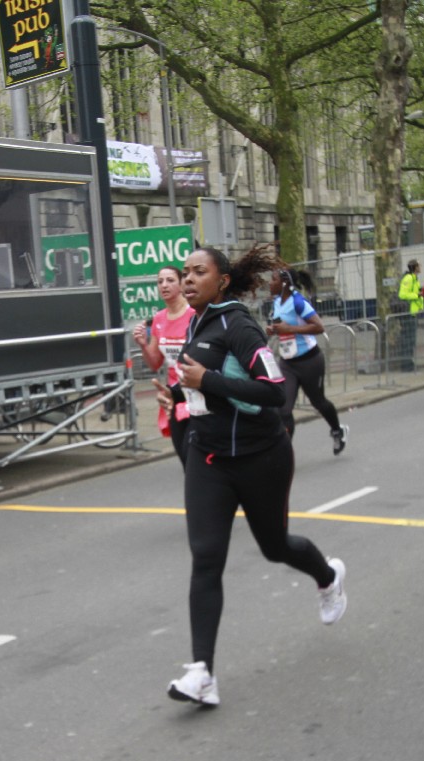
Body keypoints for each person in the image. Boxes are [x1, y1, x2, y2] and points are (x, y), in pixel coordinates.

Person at [163, 244, 346, 707]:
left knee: (275, 547)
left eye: (198, 272)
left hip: (260, 456)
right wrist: (179, 395)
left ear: (222, 281)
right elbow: (201, 385)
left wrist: (206, 382)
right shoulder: (197, 322)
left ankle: (327, 577)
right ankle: (202, 673)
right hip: (209, 458)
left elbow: (273, 391)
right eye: (185, 272)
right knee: (206, 558)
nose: (187, 279)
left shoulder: (238, 325)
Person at [266, 267, 347, 454]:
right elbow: (282, 326)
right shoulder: (277, 301)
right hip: (287, 363)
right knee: (284, 409)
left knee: (318, 402)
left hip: (310, 361)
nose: (269, 283)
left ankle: (337, 430)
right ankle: (285, 454)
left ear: (284, 283)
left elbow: (319, 327)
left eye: (273, 279)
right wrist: (274, 330)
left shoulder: (298, 302)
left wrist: (290, 329)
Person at [132, 265, 195, 457]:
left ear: (182, 284)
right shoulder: (159, 318)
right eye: (160, 282)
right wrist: (143, 344)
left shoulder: (194, 314)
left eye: (170, 280)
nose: (164, 285)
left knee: (197, 453)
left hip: (196, 392)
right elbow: (154, 363)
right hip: (173, 395)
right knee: (183, 452)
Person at [396, 258, 424, 372]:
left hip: (413, 312)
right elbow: (402, 295)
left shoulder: (414, 278)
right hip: (408, 313)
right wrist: (417, 295)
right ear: (415, 267)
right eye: (419, 265)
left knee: (411, 339)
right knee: (408, 339)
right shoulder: (409, 278)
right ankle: (406, 364)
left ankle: (409, 362)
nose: (420, 267)